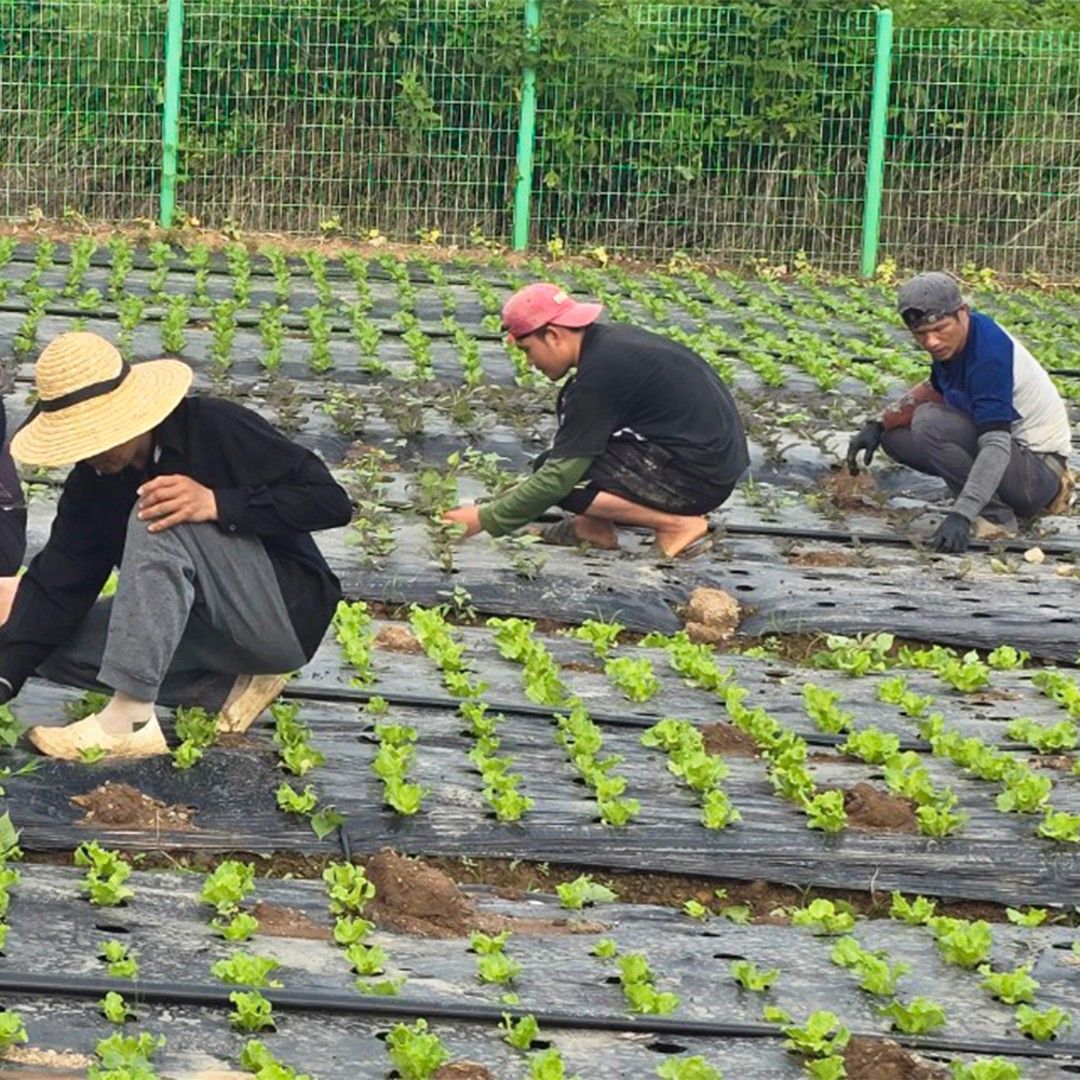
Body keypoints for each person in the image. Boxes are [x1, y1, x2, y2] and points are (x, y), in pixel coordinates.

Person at [0, 331, 352, 759]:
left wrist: (218, 503)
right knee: (47, 643)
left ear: (128, 416)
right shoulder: (92, 483)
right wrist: (5, 675)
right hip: (205, 632)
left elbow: (330, 501)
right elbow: (58, 583)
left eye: (92, 438)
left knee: (161, 509)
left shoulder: (215, 427)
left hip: (282, 611)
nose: (86, 454)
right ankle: (226, 689)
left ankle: (128, 720)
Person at [442, 283, 749, 557]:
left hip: (697, 479)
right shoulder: (608, 346)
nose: (529, 362)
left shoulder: (599, 376)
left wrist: (483, 518)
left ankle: (676, 525)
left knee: (559, 478)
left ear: (552, 335)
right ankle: (592, 527)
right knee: (562, 463)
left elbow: (558, 478)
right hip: (710, 464)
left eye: (527, 350)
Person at [847, 272, 1072, 553]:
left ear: (962, 313)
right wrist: (878, 423)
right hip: (1018, 466)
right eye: (921, 335)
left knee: (930, 422)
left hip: (1037, 475)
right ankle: (982, 500)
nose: (931, 342)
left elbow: (996, 444)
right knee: (894, 436)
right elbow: (934, 387)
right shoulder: (955, 345)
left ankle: (995, 518)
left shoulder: (988, 354)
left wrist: (962, 514)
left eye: (940, 329)